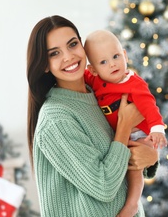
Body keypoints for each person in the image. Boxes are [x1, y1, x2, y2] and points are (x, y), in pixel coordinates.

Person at [26, 15, 159, 217]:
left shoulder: (99, 94)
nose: (68, 57)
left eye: (72, 44)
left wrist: (151, 157)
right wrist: (124, 126)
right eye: (54, 53)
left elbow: (125, 151)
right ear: (45, 64)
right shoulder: (56, 118)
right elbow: (103, 186)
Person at [83, 29, 168, 217]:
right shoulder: (93, 79)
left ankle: (132, 204)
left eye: (115, 56)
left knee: (135, 167)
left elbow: (148, 105)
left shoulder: (134, 83)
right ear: (93, 69)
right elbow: (78, 75)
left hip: (140, 133)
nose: (112, 64)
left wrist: (157, 129)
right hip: (119, 134)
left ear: (124, 55)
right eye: (103, 62)